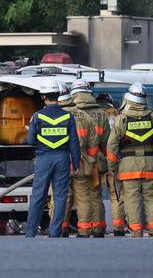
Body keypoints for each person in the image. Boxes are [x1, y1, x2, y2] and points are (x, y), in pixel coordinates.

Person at [107, 82, 153, 238]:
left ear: (129, 99)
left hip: (128, 167)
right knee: (151, 197)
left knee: (131, 199)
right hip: (150, 164)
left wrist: (113, 166)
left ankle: (136, 231)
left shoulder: (122, 119)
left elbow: (112, 145)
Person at [26, 79, 80, 238]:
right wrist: (76, 164)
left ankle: (30, 232)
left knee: (38, 196)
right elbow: (74, 143)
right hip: (63, 158)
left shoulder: (37, 116)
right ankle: (55, 231)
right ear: (58, 95)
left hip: (44, 158)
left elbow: (31, 141)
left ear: (44, 97)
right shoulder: (68, 117)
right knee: (60, 196)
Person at [49, 81, 98, 237]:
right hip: (81, 163)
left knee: (61, 198)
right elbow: (93, 144)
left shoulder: (49, 114)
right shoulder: (84, 116)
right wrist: (90, 160)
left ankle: (60, 229)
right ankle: (84, 230)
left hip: (58, 163)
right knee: (84, 199)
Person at [71, 79, 109, 237]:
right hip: (95, 160)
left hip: (73, 159)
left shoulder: (71, 112)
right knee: (94, 194)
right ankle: (99, 229)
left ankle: (64, 228)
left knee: (69, 196)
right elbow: (107, 141)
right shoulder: (101, 113)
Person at [95, 93, 126, 236]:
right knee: (116, 196)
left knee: (95, 195)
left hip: (97, 161)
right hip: (114, 160)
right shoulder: (117, 114)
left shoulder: (94, 114)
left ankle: (97, 228)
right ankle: (119, 228)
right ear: (111, 102)